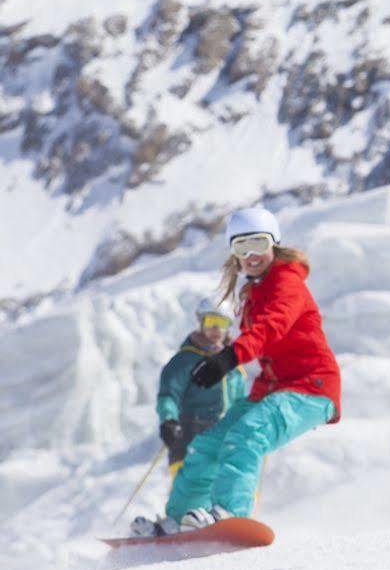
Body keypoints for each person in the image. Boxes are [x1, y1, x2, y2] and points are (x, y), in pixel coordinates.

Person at [131, 208, 341, 536]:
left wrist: (229, 358)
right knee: (208, 444)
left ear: (275, 243)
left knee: (247, 435)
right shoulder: (253, 291)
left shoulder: (287, 283)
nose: (252, 255)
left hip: (310, 388)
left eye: (258, 243)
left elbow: (273, 326)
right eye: (242, 247)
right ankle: (178, 519)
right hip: (273, 389)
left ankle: (230, 512)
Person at [155, 299, 250, 474]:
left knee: (225, 494)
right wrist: (168, 420)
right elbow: (169, 394)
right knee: (191, 495)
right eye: (211, 322)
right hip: (191, 437)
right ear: (201, 324)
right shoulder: (186, 360)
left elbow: (239, 404)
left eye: (221, 323)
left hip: (224, 441)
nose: (216, 329)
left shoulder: (233, 367)